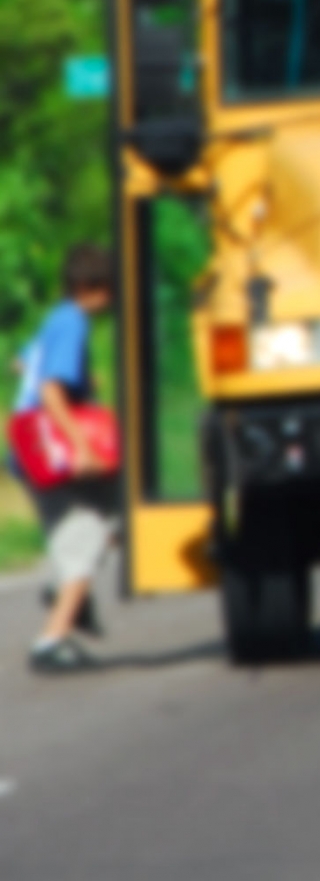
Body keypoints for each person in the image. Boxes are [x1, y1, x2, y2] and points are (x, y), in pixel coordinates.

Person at [13, 246, 118, 673]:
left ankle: (64, 592)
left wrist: (82, 378)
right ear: (91, 288)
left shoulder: (56, 316)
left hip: (26, 446)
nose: (111, 298)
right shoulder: (74, 321)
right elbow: (50, 390)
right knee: (87, 534)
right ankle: (51, 639)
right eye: (108, 288)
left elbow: (21, 363)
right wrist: (84, 447)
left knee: (105, 511)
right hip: (51, 449)